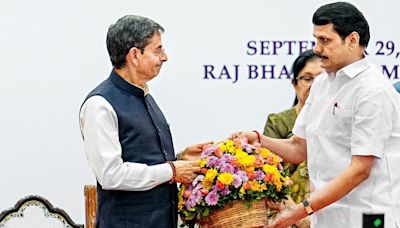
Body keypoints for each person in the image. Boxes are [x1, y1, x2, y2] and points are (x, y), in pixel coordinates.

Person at [231, 2, 400, 227]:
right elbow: (299, 148)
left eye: (325, 40)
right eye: (316, 39)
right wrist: (260, 140)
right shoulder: (321, 83)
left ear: (352, 40)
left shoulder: (373, 90)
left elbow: (360, 169)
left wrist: (300, 210)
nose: (317, 48)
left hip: (368, 218)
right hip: (326, 216)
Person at [79, 15, 205, 228]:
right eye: (157, 50)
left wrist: (181, 157)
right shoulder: (100, 104)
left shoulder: (143, 94)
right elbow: (111, 175)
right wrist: (173, 170)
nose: (164, 57)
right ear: (135, 55)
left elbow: (142, 158)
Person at [263, 49, 322, 205]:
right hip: (287, 212)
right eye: (307, 79)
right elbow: (270, 176)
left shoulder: (338, 120)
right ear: (294, 84)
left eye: (322, 78)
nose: (315, 85)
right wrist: (298, 215)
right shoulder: (278, 123)